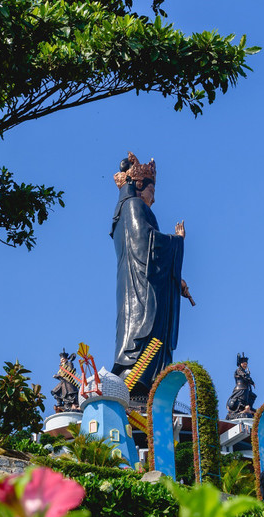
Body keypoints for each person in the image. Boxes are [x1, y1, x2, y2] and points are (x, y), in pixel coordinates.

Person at [110, 152, 192, 397]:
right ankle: (136, 381)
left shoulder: (129, 209)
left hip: (143, 282)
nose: (153, 200)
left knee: (150, 339)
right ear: (138, 185)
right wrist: (177, 242)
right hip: (140, 290)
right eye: (151, 193)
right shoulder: (133, 206)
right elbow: (145, 244)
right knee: (141, 334)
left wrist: (176, 278)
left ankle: (146, 384)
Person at [226, 353, 256, 418]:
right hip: (240, 389)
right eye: (244, 364)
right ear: (240, 364)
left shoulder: (245, 372)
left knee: (252, 396)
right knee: (241, 400)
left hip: (246, 389)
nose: (245, 365)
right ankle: (239, 410)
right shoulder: (239, 370)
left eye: (246, 364)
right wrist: (251, 381)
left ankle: (249, 408)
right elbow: (244, 376)